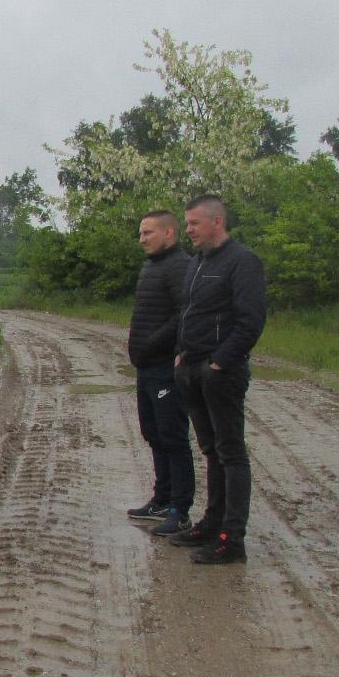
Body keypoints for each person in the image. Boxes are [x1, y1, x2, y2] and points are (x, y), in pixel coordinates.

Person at [168, 195, 266, 564]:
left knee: (231, 453)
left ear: (216, 222)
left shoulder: (243, 262)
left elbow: (251, 320)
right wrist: (181, 352)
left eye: (193, 223)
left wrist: (221, 362)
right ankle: (212, 523)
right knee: (210, 450)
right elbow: (188, 311)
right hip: (191, 368)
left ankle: (232, 538)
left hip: (220, 372)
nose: (188, 230)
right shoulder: (196, 263)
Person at [125, 210, 195, 536]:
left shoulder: (179, 265)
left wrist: (154, 344)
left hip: (166, 367)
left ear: (169, 233)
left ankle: (180, 510)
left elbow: (185, 314)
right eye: (141, 233)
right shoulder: (152, 265)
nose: (142, 239)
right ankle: (162, 499)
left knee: (173, 438)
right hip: (146, 367)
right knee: (153, 434)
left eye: (148, 233)